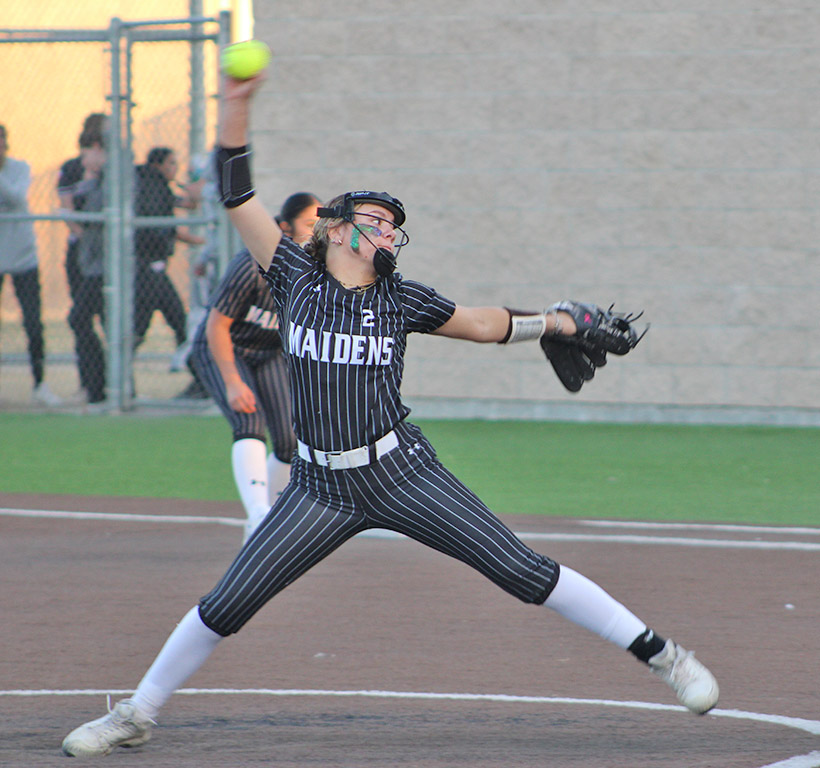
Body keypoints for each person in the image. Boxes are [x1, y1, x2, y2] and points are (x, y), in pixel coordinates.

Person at [61, 64, 719, 759]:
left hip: (402, 472)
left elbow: (483, 323)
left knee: (522, 570)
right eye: (377, 220)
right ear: (337, 230)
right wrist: (235, 103)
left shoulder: (401, 300)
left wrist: (554, 323)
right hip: (318, 488)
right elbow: (234, 186)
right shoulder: (292, 277)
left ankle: (665, 655)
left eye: (396, 227)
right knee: (227, 604)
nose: (389, 231)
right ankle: (137, 712)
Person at [190, 192, 318, 542]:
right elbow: (217, 326)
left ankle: (272, 517)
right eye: (309, 224)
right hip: (222, 348)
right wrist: (232, 382)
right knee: (249, 418)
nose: (315, 232)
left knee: (292, 440)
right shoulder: (252, 265)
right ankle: (258, 518)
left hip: (268, 352)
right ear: (284, 227)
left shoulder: (313, 277)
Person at [0, 123, 61, 406]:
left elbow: (15, 197)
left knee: (33, 323)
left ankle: (40, 384)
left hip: (23, 256)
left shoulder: (20, 168)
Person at [132, 147, 205, 354]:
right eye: (171, 163)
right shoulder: (152, 187)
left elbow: (189, 205)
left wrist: (193, 185)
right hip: (149, 266)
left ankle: (120, 372)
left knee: (169, 319)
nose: (175, 168)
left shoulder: (160, 186)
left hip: (155, 266)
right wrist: (200, 241)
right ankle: (195, 371)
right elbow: (166, 229)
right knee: (170, 318)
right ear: (157, 165)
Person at [59, 114, 108, 404]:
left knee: (107, 320)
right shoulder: (72, 168)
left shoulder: (114, 171)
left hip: (106, 260)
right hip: (82, 256)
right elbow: (69, 211)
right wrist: (84, 238)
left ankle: (109, 388)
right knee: (80, 319)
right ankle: (91, 385)